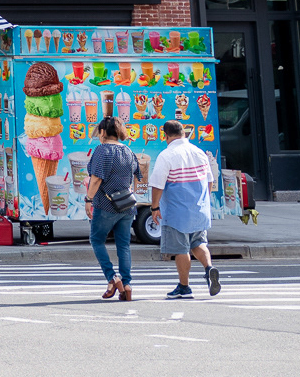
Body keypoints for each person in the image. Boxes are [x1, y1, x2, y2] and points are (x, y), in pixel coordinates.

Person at [150, 116, 220, 298]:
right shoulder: (199, 152)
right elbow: (209, 180)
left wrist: (155, 207)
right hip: (199, 209)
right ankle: (209, 268)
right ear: (183, 133)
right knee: (198, 243)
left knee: (181, 249)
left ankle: (184, 286)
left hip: (177, 212)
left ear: (165, 136)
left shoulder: (166, 155)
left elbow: (157, 184)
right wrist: (203, 201)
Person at [85, 113, 135, 301]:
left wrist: (88, 199)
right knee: (124, 245)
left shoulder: (102, 150)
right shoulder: (128, 150)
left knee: (96, 240)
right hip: (127, 205)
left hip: (106, 205)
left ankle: (112, 277)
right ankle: (127, 284)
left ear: (103, 132)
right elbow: (136, 176)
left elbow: (96, 179)